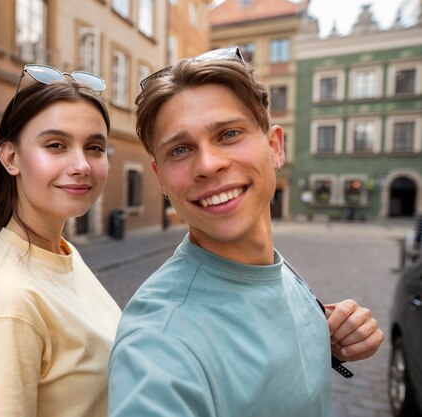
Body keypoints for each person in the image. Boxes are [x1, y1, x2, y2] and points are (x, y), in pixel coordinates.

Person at [108, 47, 384, 417]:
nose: (208, 164)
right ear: (160, 179)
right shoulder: (159, 342)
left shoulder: (277, 270)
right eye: (180, 149)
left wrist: (326, 336)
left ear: (275, 147)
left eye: (228, 134)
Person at [0, 64, 121, 417]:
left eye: (94, 147)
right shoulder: (6, 301)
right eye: (56, 145)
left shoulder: (61, 252)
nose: (82, 165)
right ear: (11, 157)